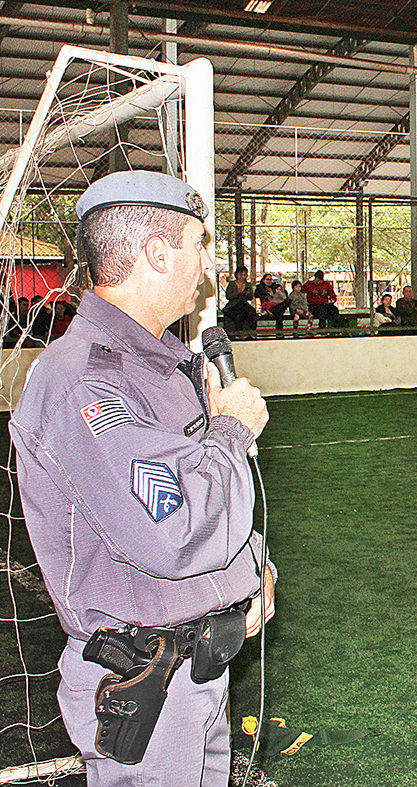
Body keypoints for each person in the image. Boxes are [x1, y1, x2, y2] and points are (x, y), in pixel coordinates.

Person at [8, 170, 275, 785]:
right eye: (199, 244)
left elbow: (198, 496)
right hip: (148, 685)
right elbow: (173, 530)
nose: (208, 264)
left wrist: (250, 573)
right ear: (157, 254)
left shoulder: (160, 365)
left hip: (196, 668)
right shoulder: (87, 380)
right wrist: (231, 430)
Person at [223, 264, 256, 332]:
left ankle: (250, 331)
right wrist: (238, 293)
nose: (242, 277)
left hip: (244, 304)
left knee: (251, 312)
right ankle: (237, 331)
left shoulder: (248, 285)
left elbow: (251, 297)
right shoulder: (232, 284)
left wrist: (246, 294)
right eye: (240, 275)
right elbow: (228, 296)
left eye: (244, 275)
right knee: (238, 313)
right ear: (237, 275)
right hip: (233, 305)